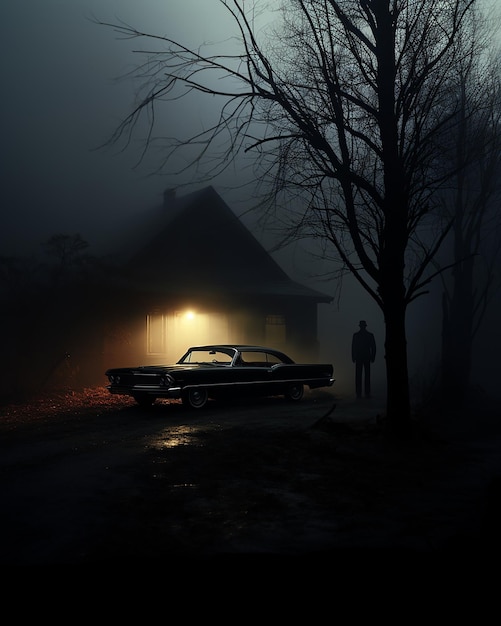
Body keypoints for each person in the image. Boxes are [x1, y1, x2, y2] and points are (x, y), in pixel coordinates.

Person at [351, 320, 376, 398]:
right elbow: (373, 347)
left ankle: (359, 392)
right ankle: (366, 392)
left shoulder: (356, 335)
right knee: (366, 375)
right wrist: (373, 357)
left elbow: (353, 347)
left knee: (359, 375)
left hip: (360, 357)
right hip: (366, 357)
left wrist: (353, 356)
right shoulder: (369, 335)